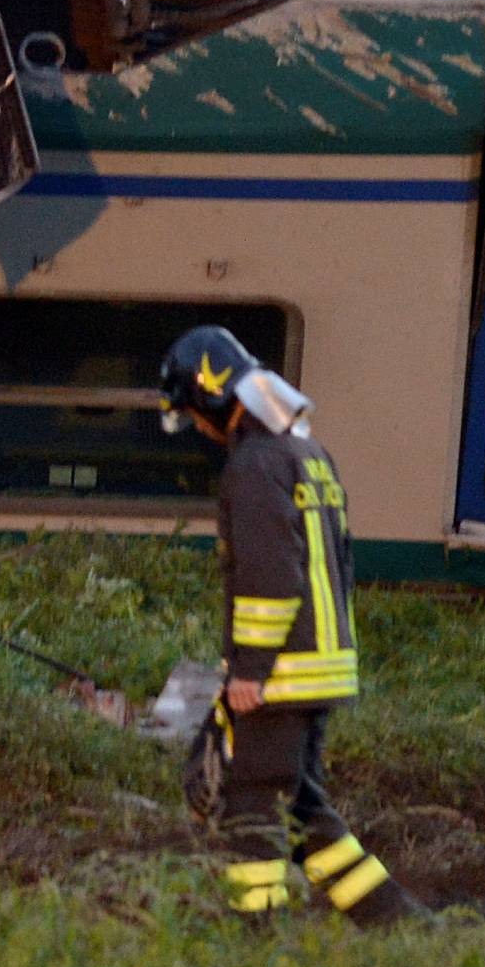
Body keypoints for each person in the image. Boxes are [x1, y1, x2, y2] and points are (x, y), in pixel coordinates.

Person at [157, 324, 423, 926]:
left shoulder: (252, 468)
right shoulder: (310, 456)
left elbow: (271, 577)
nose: (197, 427)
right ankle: (396, 923)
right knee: (301, 810)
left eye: (194, 412)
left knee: (252, 807)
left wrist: (248, 673)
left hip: (280, 677)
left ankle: (257, 940)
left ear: (212, 397)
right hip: (322, 670)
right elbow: (339, 565)